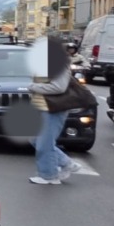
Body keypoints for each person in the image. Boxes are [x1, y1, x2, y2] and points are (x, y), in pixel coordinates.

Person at [27, 39, 79, 186]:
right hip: (42, 106)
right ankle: (66, 163)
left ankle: (49, 176)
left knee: (45, 143)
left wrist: (33, 86)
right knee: (35, 139)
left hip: (54, 108)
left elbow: (59, 87)